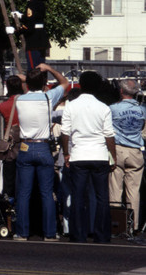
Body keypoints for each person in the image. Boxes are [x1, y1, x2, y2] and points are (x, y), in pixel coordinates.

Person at [13, 64, 68, 241]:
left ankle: (22, 232)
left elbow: (20, 79)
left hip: (25, 146)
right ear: (44, 83)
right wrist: (50, 68)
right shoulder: (48, 97)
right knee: (46, 193)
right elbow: (65, 83)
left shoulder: (19, 99)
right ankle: (50, 233)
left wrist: (28, 77)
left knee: (23, 193)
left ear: (27, 84)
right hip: (44, 147)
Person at [61, 71, 117, 244]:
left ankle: (78, 234)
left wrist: (66, 153)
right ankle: (101, 234)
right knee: (101, 197)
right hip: (99, 155)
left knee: (78, 196)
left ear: (81, 85)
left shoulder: (71, 105)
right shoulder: (103, 107)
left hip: (79, 155)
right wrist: (112, 157)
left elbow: (64, 133)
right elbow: (109, 136)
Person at [109, 79, 146, 232]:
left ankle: (116, 224)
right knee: (133, 191)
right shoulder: (143, 109)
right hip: (135, 151)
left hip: (117, 149)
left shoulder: (112, 108)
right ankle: (134, 225)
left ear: (121, 91)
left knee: (115, 189)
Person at [13, 0, 50, 71]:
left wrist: (16, 31)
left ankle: (35, 85)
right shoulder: (40, 3)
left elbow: (30, 26)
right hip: (41, 38)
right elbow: (34, 19)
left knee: (33, 69)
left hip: (33, 40)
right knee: (41, 68)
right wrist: (21, 16)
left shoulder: (31, 4)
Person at [0, 75, 24, 201]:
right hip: (26, 144)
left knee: (9, 180)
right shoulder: (27, 102)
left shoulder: (3, 106)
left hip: (11, 147)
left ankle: (10, 211)